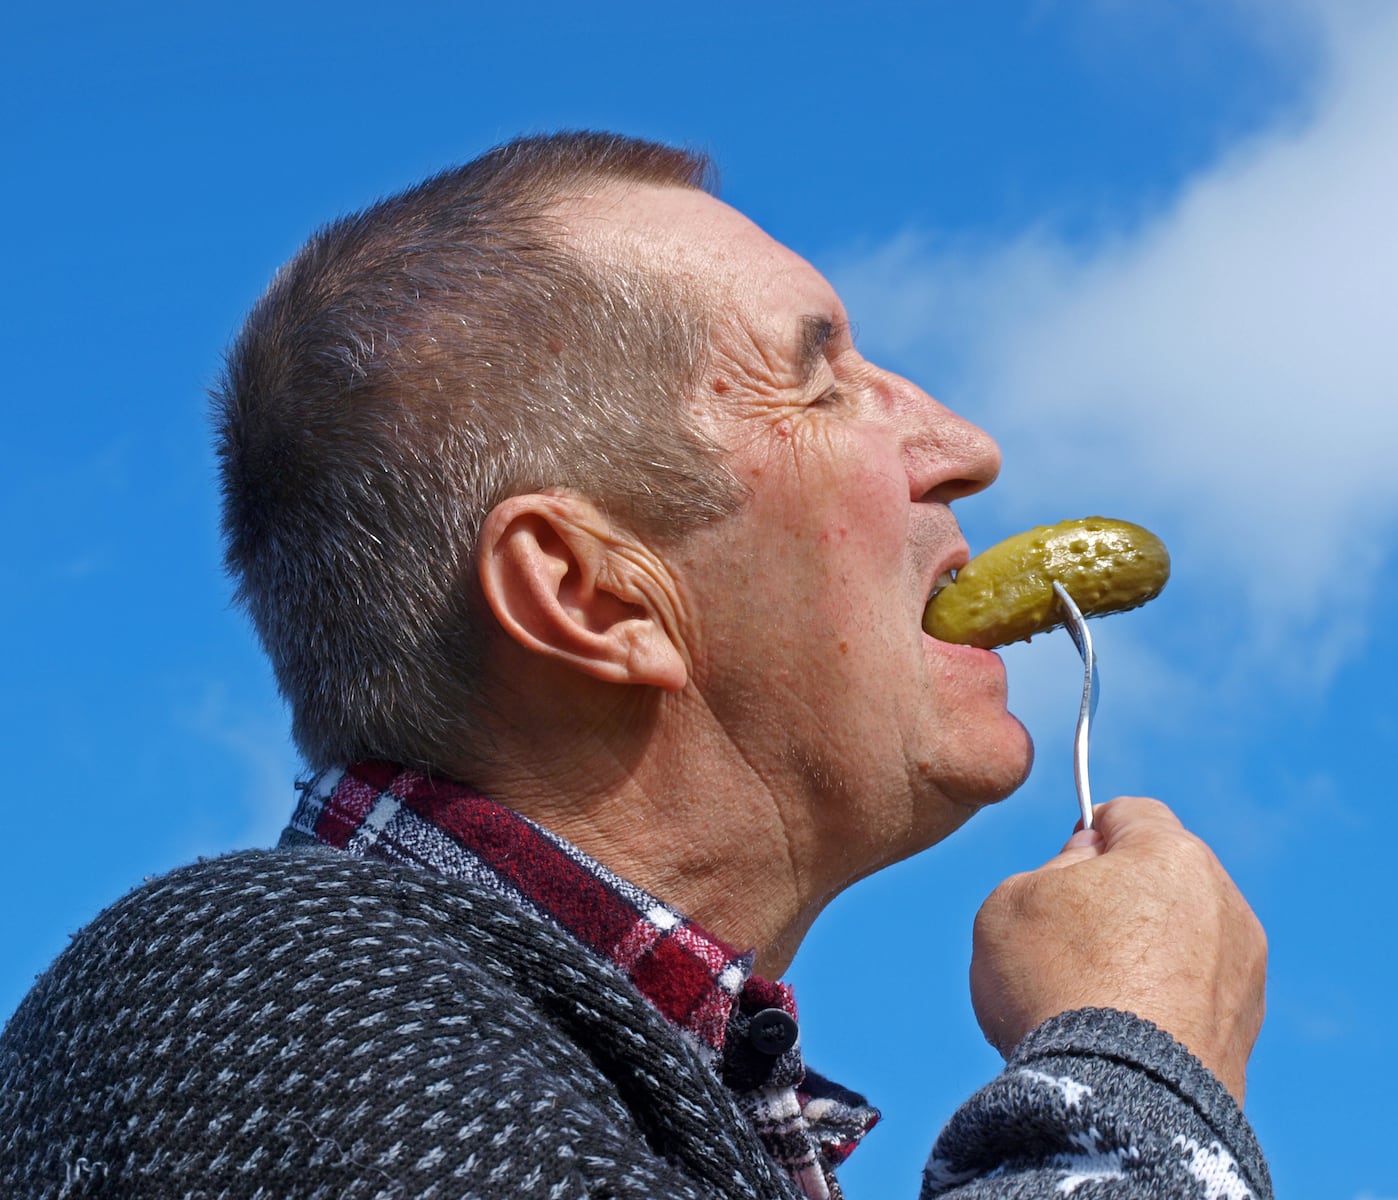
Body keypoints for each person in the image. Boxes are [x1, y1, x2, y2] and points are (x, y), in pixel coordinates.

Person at [0, 132, 1270, 1198]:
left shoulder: (541, 1061)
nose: (968, 446)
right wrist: (1133, 1073)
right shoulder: (256, 1003)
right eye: (820, 386)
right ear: (594, 594)